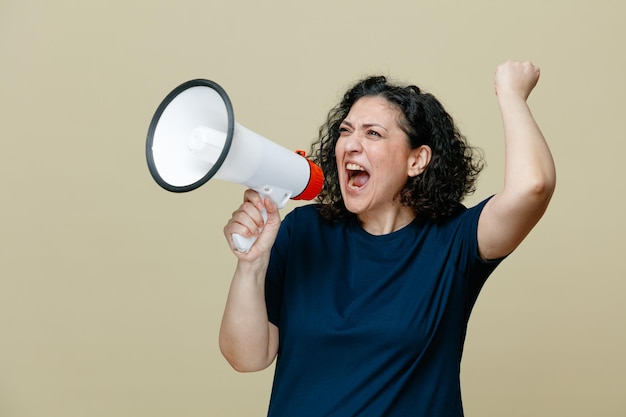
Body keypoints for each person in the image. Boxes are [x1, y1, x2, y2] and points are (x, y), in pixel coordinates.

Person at [219, 60, 556, 416]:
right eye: (346, 131)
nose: (350, 144)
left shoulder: (454, 240)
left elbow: (533, 187)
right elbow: (246, 358)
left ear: (417, 160)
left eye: (373, 134)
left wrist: (511, 93)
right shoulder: (303, 230)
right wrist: (251, 265)